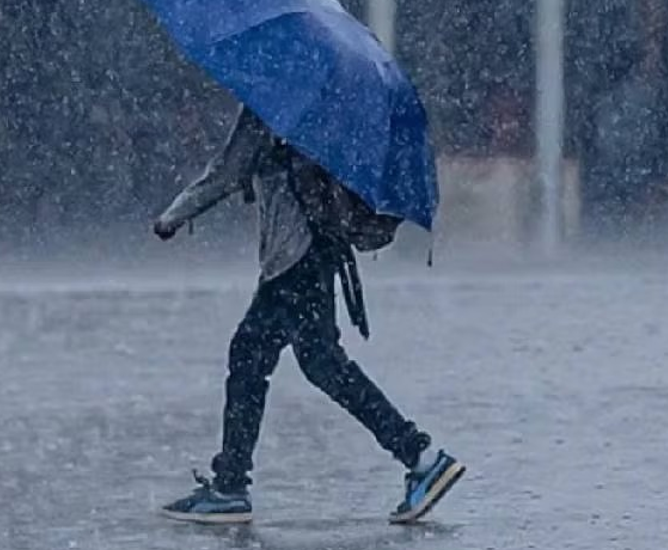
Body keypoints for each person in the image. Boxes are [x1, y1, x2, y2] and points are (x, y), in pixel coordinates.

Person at [152, 105, 464, 525]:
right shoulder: (322, 107)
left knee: (255, 356)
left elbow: (227, 172)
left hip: (293, 259)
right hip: (317, 252)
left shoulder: (270, 103)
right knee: (315, 363)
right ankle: (420, 456)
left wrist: (173, 215)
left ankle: (230, 487)